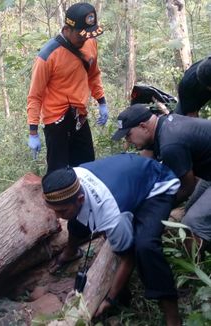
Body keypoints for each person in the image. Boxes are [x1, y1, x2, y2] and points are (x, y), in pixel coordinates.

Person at [43, 154, 181, 325]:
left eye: (62, 211)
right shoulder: (70, 179)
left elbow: (127, 259)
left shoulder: (111, 214)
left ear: (80, 198)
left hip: (157, 185)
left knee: (145, 247)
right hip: (129, 179)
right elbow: (74, 216)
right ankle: (70, 253)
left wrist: (110, 299)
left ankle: (172, 316)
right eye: (54, 211)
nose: (59, 217)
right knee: (75, 219)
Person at [112, 104, 211, 251]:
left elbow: (187, 186)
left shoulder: (170, 143)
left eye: (128, 135)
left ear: (143, 126)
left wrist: (157, 206)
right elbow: (143, 165)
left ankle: (197, 270)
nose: (128, 141)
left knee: (192, 224)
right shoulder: (162, 125)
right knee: (189, 209)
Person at [27, 2, 108, 173]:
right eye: (81, 35)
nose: (84, 39)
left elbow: (93, 74)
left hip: (79, 116)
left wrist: (101, 101)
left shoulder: (90, 43)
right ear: (67, 29)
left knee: (87, 168)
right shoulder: (47, 56)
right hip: (56, 121)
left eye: (87, 35)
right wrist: (33, 132)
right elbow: (35, 95)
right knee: (59, 174)